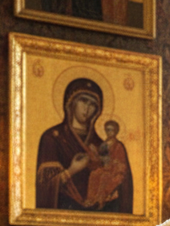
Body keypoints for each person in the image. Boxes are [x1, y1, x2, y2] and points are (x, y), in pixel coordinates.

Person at [35, 78, 133, 213]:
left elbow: (120, 183)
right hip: (64, 212)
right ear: (71, 103)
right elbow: (43, 188)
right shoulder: (52, 138)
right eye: (83, 101)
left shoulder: (102, 145)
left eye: (92, 104)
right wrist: (71, 171)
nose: (87, 108)